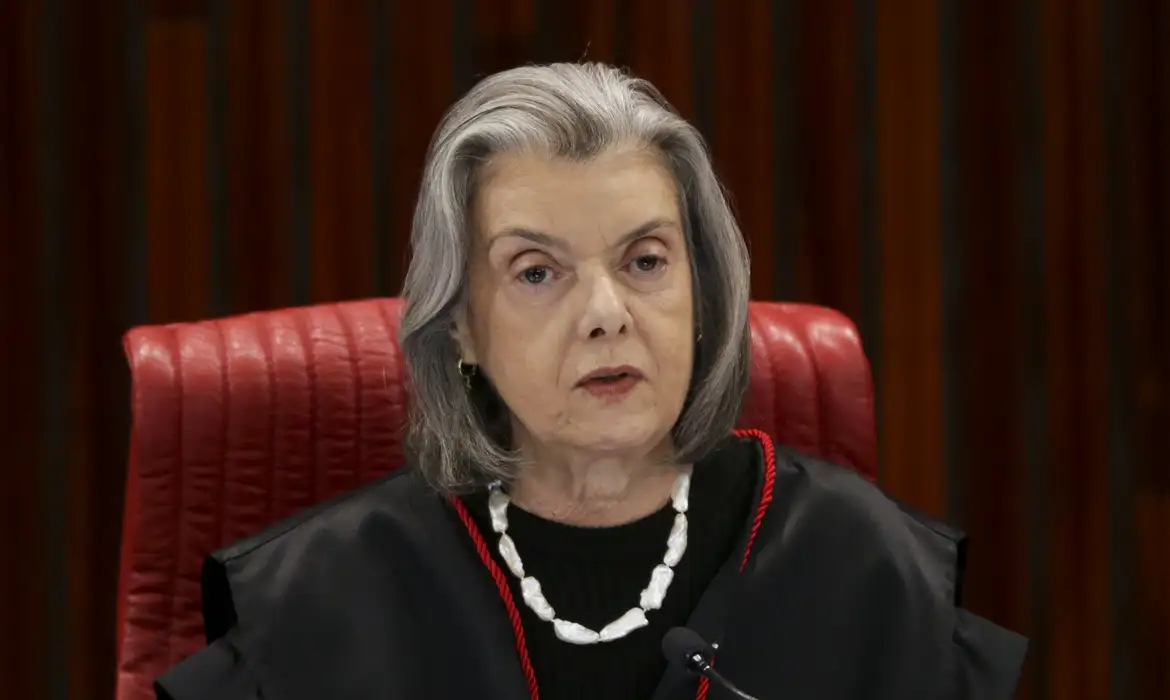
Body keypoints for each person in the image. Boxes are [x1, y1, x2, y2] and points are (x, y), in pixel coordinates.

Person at [155, 63, 1026, 700]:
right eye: (537, 272)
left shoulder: (865, 570)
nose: (607, 313)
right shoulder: (320, 601)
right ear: (460, 323)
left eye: (645, 260)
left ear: (701, 294)